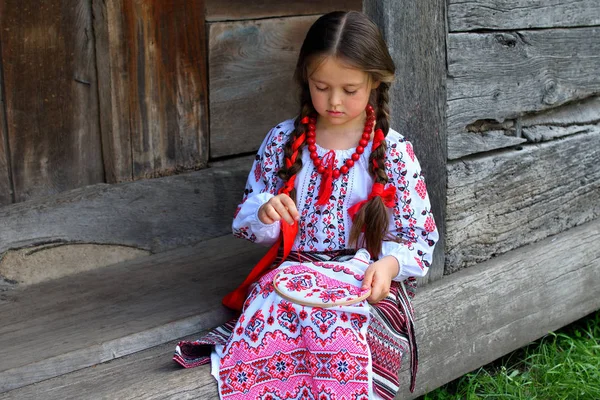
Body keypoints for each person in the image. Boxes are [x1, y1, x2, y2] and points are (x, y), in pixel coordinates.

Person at [174, 10, 438, 400]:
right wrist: (265, 212)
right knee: (270, 323)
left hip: (363, 281)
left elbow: (420, 238)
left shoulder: (395, 153)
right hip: (295, 276)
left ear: (375, 83)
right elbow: (246, 221)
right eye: (321, 86)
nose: (334, 101)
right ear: (305, 80)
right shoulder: (283, 142)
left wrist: (390, 265)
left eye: (349, 90)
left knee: (341, 335)